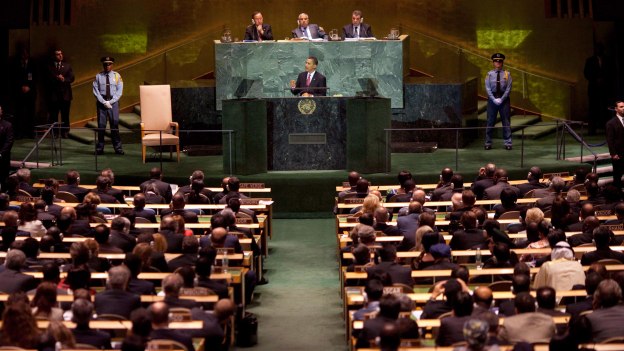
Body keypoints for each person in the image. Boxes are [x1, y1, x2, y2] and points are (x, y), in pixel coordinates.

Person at [93, 56, 124, 155]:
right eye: (105, 64)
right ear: (103, 65)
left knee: (114, 125)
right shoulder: (98, 76)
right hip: (102, 103)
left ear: (112, 65)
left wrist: (110, 102)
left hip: (113, 103)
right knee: (101, 126)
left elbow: (119, 91)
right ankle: (100, 148)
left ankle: (118, 148)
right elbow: (96, 91)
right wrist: (103, 102)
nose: (107, 66)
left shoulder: (117, 76)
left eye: (109, 64)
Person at [484, 53, 512, 150]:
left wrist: (502, 99)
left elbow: (508, 88)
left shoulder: (507, 74)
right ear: (493, 62)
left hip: (504, 100)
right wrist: (493, 99)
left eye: (500, 61)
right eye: (496, 61)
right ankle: (488, 142)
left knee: (506, 122)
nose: (498, 63)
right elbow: (487, 88)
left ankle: (508, 143)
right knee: (490, 121)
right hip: (493, 100)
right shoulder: (489, 74)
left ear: (502, 62)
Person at [47, 49, 74, 138]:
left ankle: (65, 132)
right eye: (58, 54)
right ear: (54, 56)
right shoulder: (49, 67)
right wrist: (56, 78)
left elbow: (72, 78)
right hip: (54, 96)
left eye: (61, 54)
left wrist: (64, 79)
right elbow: (46, 80)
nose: (60, 55)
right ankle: (55, 133)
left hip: (65, 96)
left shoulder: (67, 66)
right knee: (54, 115)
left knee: (65, 115)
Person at [606, 100, 624, 189]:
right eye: (621, 107)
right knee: (617, 176)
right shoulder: (611, 123)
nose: (623, 108)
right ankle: (617, 196)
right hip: (618, 154)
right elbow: (610, 140)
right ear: (616, 109)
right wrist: (613, 153)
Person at [0, 105, 14, 188]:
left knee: (3, 179)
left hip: (2, 158)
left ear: (1, 112)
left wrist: (1, 153)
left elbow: (9, 141)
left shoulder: (7, 125)